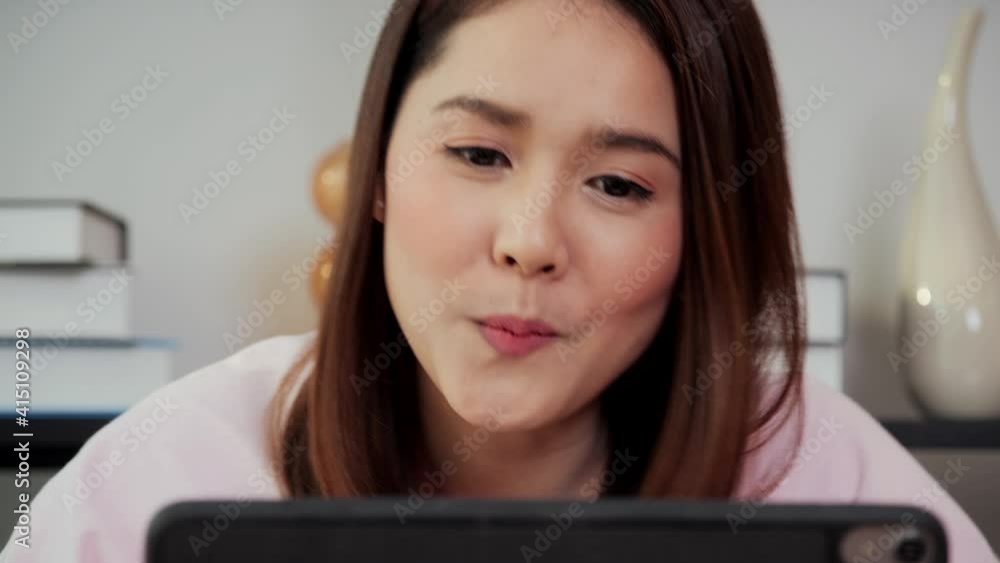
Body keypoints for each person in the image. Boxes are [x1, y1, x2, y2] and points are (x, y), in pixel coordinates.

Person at [3, 0, 996, 561]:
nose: (530, 243)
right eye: (478, 154)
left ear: (703, 233)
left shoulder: (820, 469)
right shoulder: (161, 476)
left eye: (618, 184)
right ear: (375, 175)